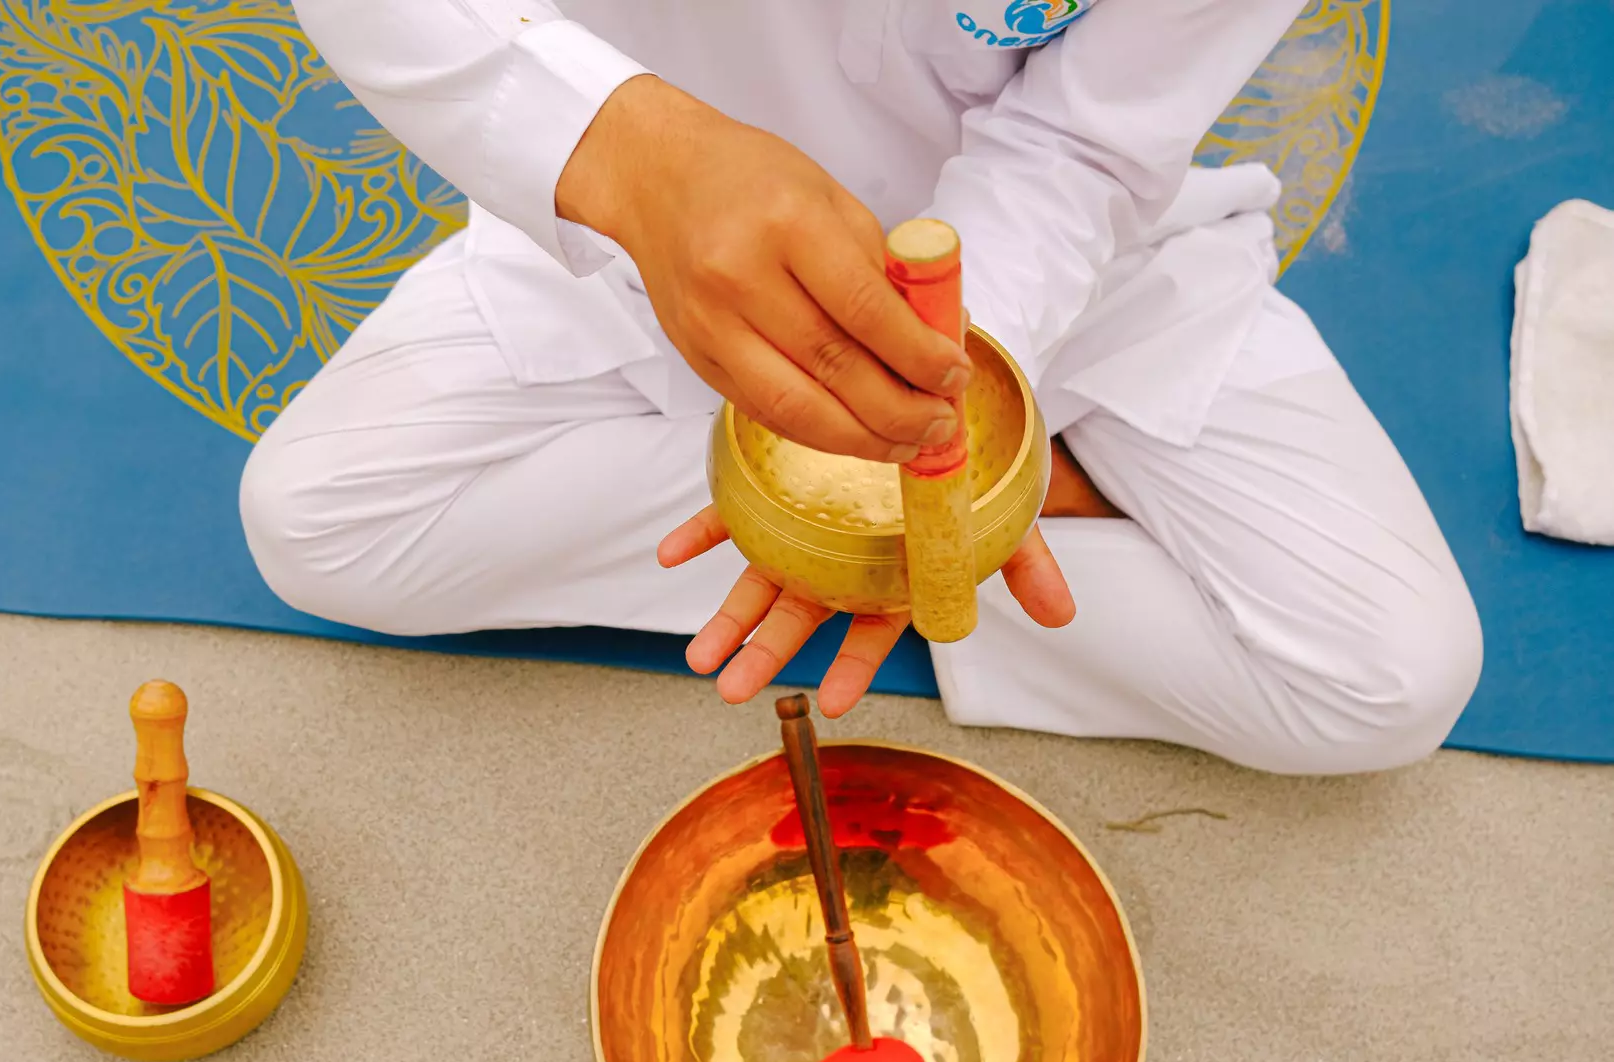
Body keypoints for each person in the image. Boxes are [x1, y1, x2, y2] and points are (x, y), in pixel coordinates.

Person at [240, 0, 1483, 775]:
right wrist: (622, 151)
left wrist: (936, 407)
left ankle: (930, 510)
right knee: (318, 524)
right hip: (646, 236)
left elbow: (1080, 147)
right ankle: (964, 518)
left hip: (1059, 280)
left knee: (1385, 680)